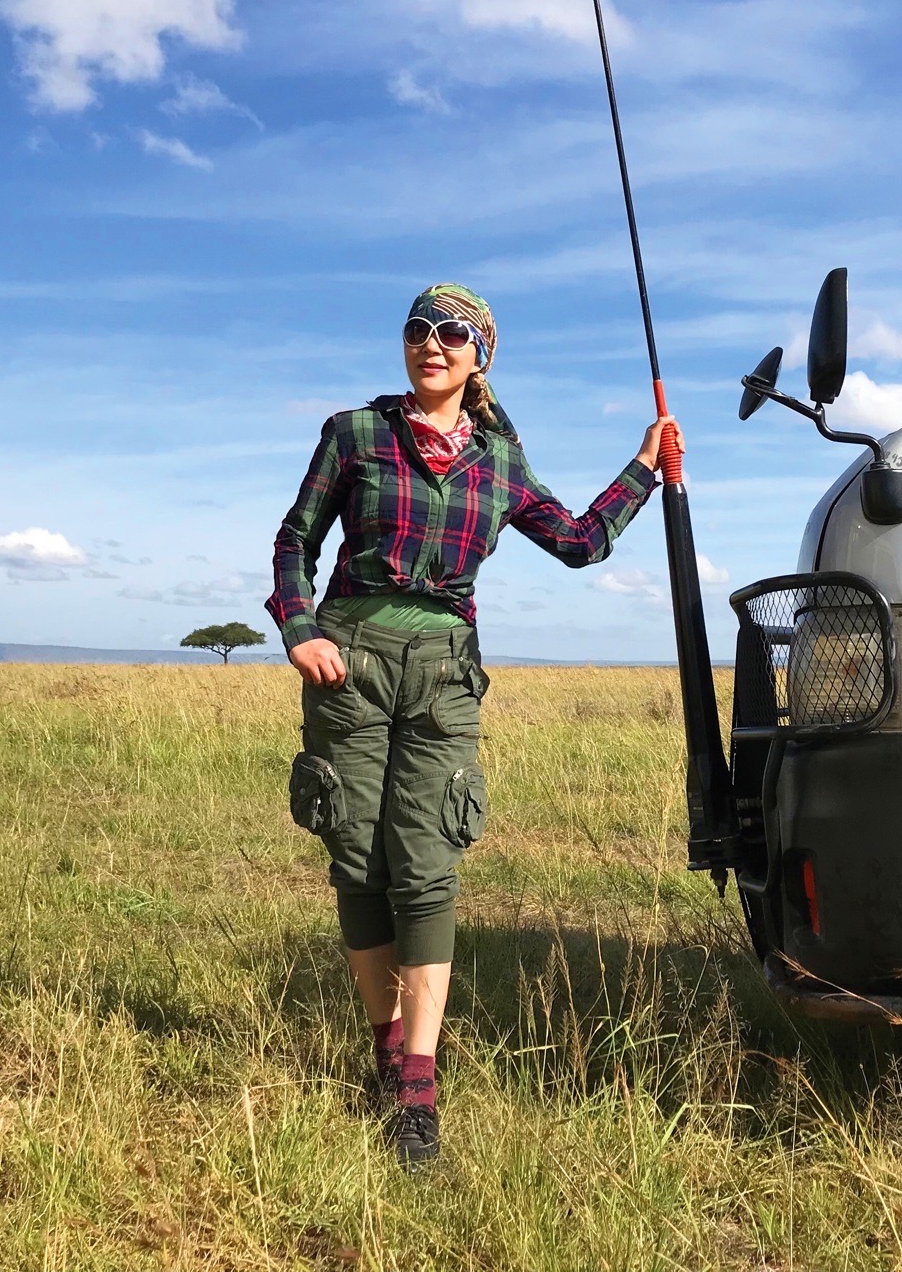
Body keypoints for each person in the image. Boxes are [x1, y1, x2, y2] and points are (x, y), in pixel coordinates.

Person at [268, 283, 676, 1165]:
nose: (433, 345)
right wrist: (299, 626)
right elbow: (296, 537)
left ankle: (418, 1085)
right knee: (357, 857)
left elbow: (577, 543)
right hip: (350, 659)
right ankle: (385, 1050)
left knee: (425, 865)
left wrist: (643, 468)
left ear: (480, 356)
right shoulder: (355, 433)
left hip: (445, 671)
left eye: (454, 335)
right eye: (420, 330)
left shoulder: (496, 460)